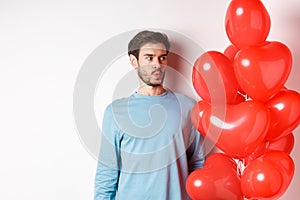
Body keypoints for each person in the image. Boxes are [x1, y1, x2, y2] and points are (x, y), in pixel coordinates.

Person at [94, 30, 205, 200]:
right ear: (134, 61)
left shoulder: (188, 107)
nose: (157, 64)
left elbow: (198, 165)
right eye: (149, 57)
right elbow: (107, 174)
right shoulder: (116, 112)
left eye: (162, 57)